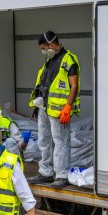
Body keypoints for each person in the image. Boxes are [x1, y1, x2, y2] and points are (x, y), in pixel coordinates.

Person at [27, 31, 81, 188]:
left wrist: (68, 107)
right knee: (44, 140)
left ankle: (62, 175)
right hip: (44, 107)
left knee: (61, 142)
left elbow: (74, 85)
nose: (43, 51)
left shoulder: (69, 60)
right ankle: (45, 172)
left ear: (51, 45)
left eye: (44, 48)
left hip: (59, 110)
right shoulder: (49, 60)